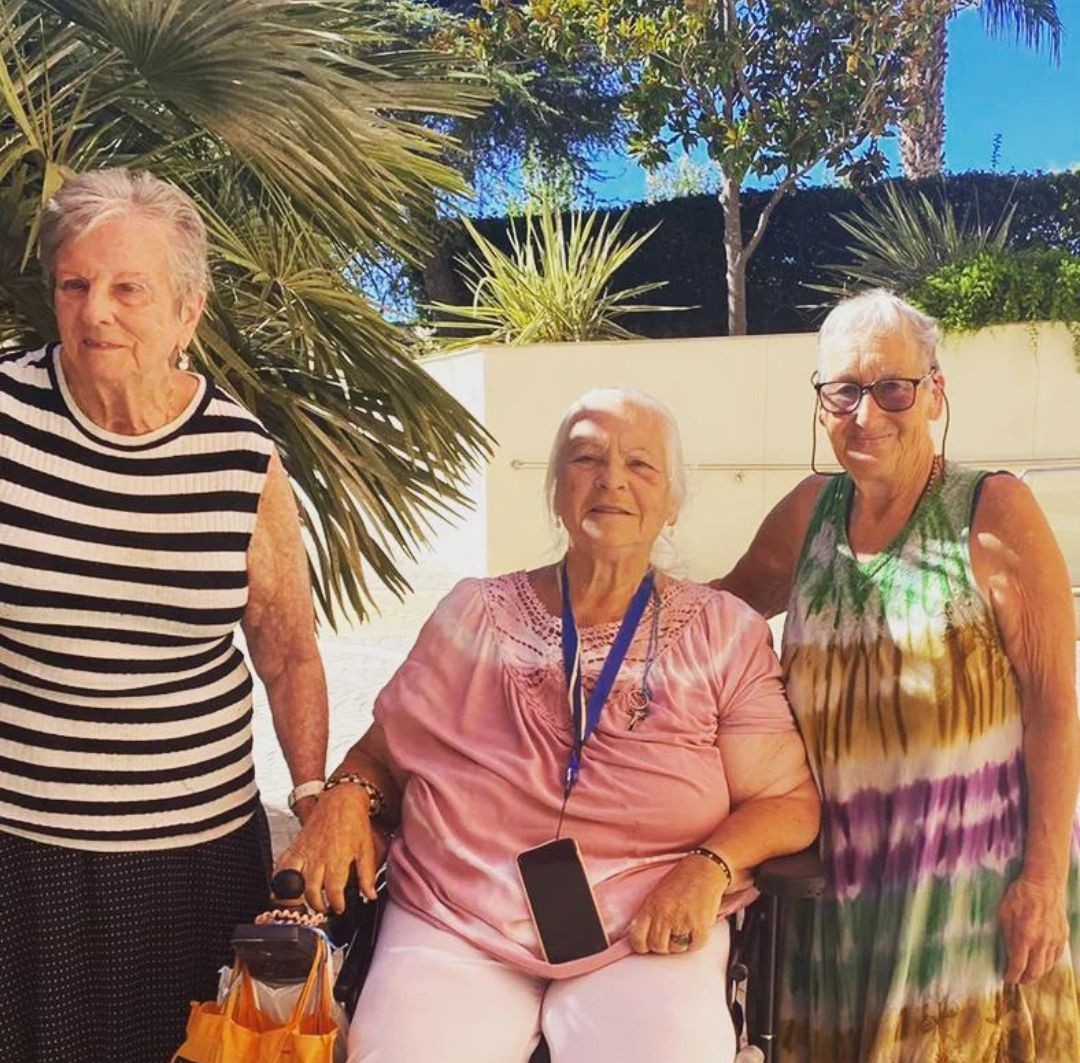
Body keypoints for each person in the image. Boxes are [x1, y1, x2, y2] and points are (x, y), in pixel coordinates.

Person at [281, 386, 820, 1063]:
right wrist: (346, 796)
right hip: (458, 912)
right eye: (586, 458)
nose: (612, 479)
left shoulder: (724, 634)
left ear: (673, 502)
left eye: (641, 464)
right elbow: (379, 757)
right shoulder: (472, 615)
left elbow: (786, 800)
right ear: (557, 491)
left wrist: (709, 866)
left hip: (648, 919)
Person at [0, 168, 330, 1062]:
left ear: (189, 312)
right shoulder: (6, 417)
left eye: (128, 288)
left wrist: (311, 798)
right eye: (75, 284)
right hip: (22, 854)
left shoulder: (240, 456)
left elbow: (288, 652)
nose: (96, 311)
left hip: (193, 858)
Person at [714, 289, 1080, 1061]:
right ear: (821, 402)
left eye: (893, 388)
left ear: (935, 393)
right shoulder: (807, 516)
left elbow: (1054, 703)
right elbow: (712, 620)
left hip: (966, 896)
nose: (866, 413)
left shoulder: (993, 511)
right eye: (843, 390)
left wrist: (1043, 880)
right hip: (829, 896)